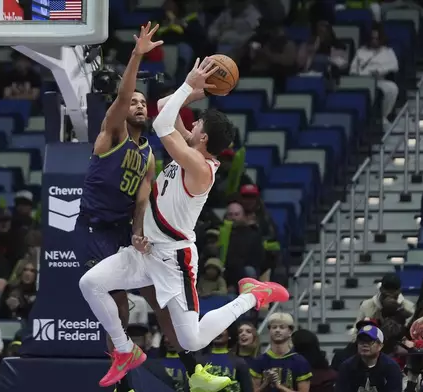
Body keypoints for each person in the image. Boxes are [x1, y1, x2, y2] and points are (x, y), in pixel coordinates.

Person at [79, 57, 289, 387]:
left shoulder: (201, 168)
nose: (190, 127)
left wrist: (189, 84)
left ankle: (252, 295)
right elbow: (164, 105)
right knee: (90, 283)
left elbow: (162, 123)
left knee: (191, 340)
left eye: (197, 127)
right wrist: (197, 89)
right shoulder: (192, 146)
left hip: (174, 259)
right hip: (145, 252)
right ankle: (124, 350)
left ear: (203, 140)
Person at [77, 22, 230, 392]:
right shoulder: (111, 133)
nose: (139, 104)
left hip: (128, 231)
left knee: (162, 305)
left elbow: (144, 194)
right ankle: (124, 379)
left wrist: (138, 229)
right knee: (116, 303)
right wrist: (137, 54)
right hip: (97, 227)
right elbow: (124, 95)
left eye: (143, 102)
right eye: (134, 102)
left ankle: (194, 370)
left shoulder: (147, 152)